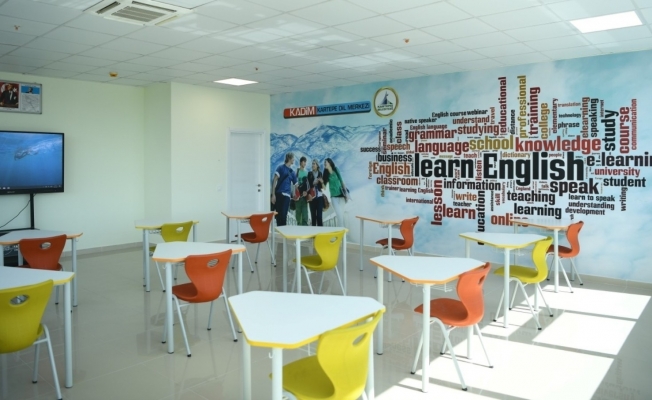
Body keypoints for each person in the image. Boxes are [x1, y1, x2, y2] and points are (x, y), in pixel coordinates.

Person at [271, 152, 297, 226]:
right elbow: (274, 180)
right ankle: (279, 230)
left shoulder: (292, 172)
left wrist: (295, 194)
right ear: (289, 158)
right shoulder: (280, 168)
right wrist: (273, 195)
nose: (294, 160)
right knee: (278, 216)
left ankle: (283, 231)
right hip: (279, 194)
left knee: (283, 215)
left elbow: (296, 184)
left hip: (287, 196)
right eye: (293, 158)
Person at [322, 157, 349, 227]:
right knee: (339, 215)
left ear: (329, 163)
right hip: (333, 197)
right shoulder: (326, 174)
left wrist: (346, 193)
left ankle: (342, 232)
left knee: (341, 216)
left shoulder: (336, 170)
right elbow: (324, 188)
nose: (324, 164)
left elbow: (341, 181)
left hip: (341, 196)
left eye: (325, 162)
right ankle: (342, 232)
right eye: (324, 163)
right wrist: (321, 182)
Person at [307, 158, 324, 226]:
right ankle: (313, 232)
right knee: (313, 217)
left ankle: (321, 231)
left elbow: (321, 186)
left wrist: (321, 182)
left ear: (317, 165)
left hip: (319, 196)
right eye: (312, 164)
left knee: (319, 217)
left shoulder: (320, 173)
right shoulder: (309, 174)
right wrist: (313, 183)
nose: (313, 165)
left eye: (314, 164)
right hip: (312, 197)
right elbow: (308, 185)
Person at [295, 156, 309, 226]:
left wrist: (307, 192)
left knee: (305, 215)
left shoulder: (306, 173)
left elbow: (308, 185)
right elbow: (294, 183)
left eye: (305, 162)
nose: (305, 163)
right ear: (300, 162)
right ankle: (298, 229)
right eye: (304, 162)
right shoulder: (297, 171)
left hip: (304, 197)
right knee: (298, 216)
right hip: (298, 197)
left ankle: (305, 229)